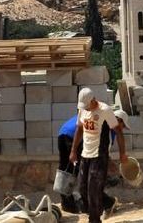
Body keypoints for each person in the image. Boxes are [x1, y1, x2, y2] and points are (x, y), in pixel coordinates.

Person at [57, 108, 130, 217]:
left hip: (63, 132)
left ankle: (68, 204)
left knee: (65, 171)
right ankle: (108, 203)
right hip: (75, 138)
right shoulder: (108, 130)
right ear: (118, 120)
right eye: (123, 126)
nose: (122, 129)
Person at [70, 88, 128, 223]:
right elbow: (79, 129)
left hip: (99, 156)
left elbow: (118, 131)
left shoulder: (105, 110)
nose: (85, 109)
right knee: (82, 188)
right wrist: (73, 151)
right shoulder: (83, 109)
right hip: (85, 154)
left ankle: (94, 220)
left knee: (93, 190)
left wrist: (122, 153)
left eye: (87, 105)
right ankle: (104, 206)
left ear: (93, 100)